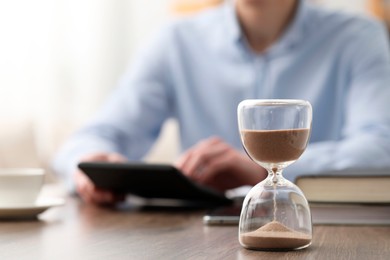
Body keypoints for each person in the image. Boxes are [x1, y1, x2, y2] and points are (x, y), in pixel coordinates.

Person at [53, 0, 390, 205]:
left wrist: (264, 168)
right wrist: (89, 163)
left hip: (324, 221)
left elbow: (381, 145)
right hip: (199, 230)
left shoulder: (358, 38)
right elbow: (99, 134)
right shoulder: (176, 41)